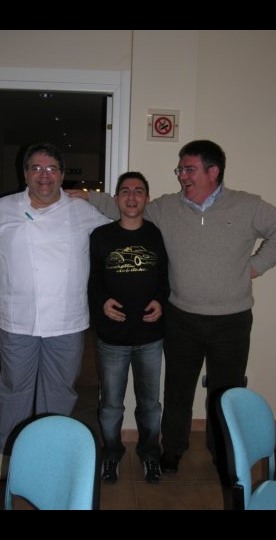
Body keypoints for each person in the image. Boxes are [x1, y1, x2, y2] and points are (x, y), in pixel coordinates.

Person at [67, 139, 276, 474]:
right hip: (181, 317)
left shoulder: (247, 205)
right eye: (180, 169)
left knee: (226, 393)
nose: (182, 175)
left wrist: (256, 267)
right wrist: (86, 196)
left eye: (189, 169)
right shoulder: (167, 207)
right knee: (177, 390)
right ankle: (171, 450)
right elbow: (126, 207)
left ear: (213, 172)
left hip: (232, 321)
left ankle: (223, 453)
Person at [0, 142, 111, 480]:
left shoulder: (81, 210)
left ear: (62, 174)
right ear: (25, 173)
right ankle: (7, 450)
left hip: (67, 320)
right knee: (14, 387)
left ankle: (49, 451)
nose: (45, 175)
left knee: (59, 390)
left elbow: (122, 225)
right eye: (37, 168)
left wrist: (96, 198)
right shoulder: (4, 208)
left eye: (52, 169)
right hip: (16, 319)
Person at [88, 172, 170, 485]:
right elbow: (93, 280)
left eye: (138, 191)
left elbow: (165, 279)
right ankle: (111, 453)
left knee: (150, 405)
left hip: (150, 337)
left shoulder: (157, 235)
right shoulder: (101, 236)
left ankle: (150, 454)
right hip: (112, 338)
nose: (132, 197)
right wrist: (102, 302)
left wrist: (160, 301)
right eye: (125, 191)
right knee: (110, 405)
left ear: (147, 198)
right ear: (116, 199)